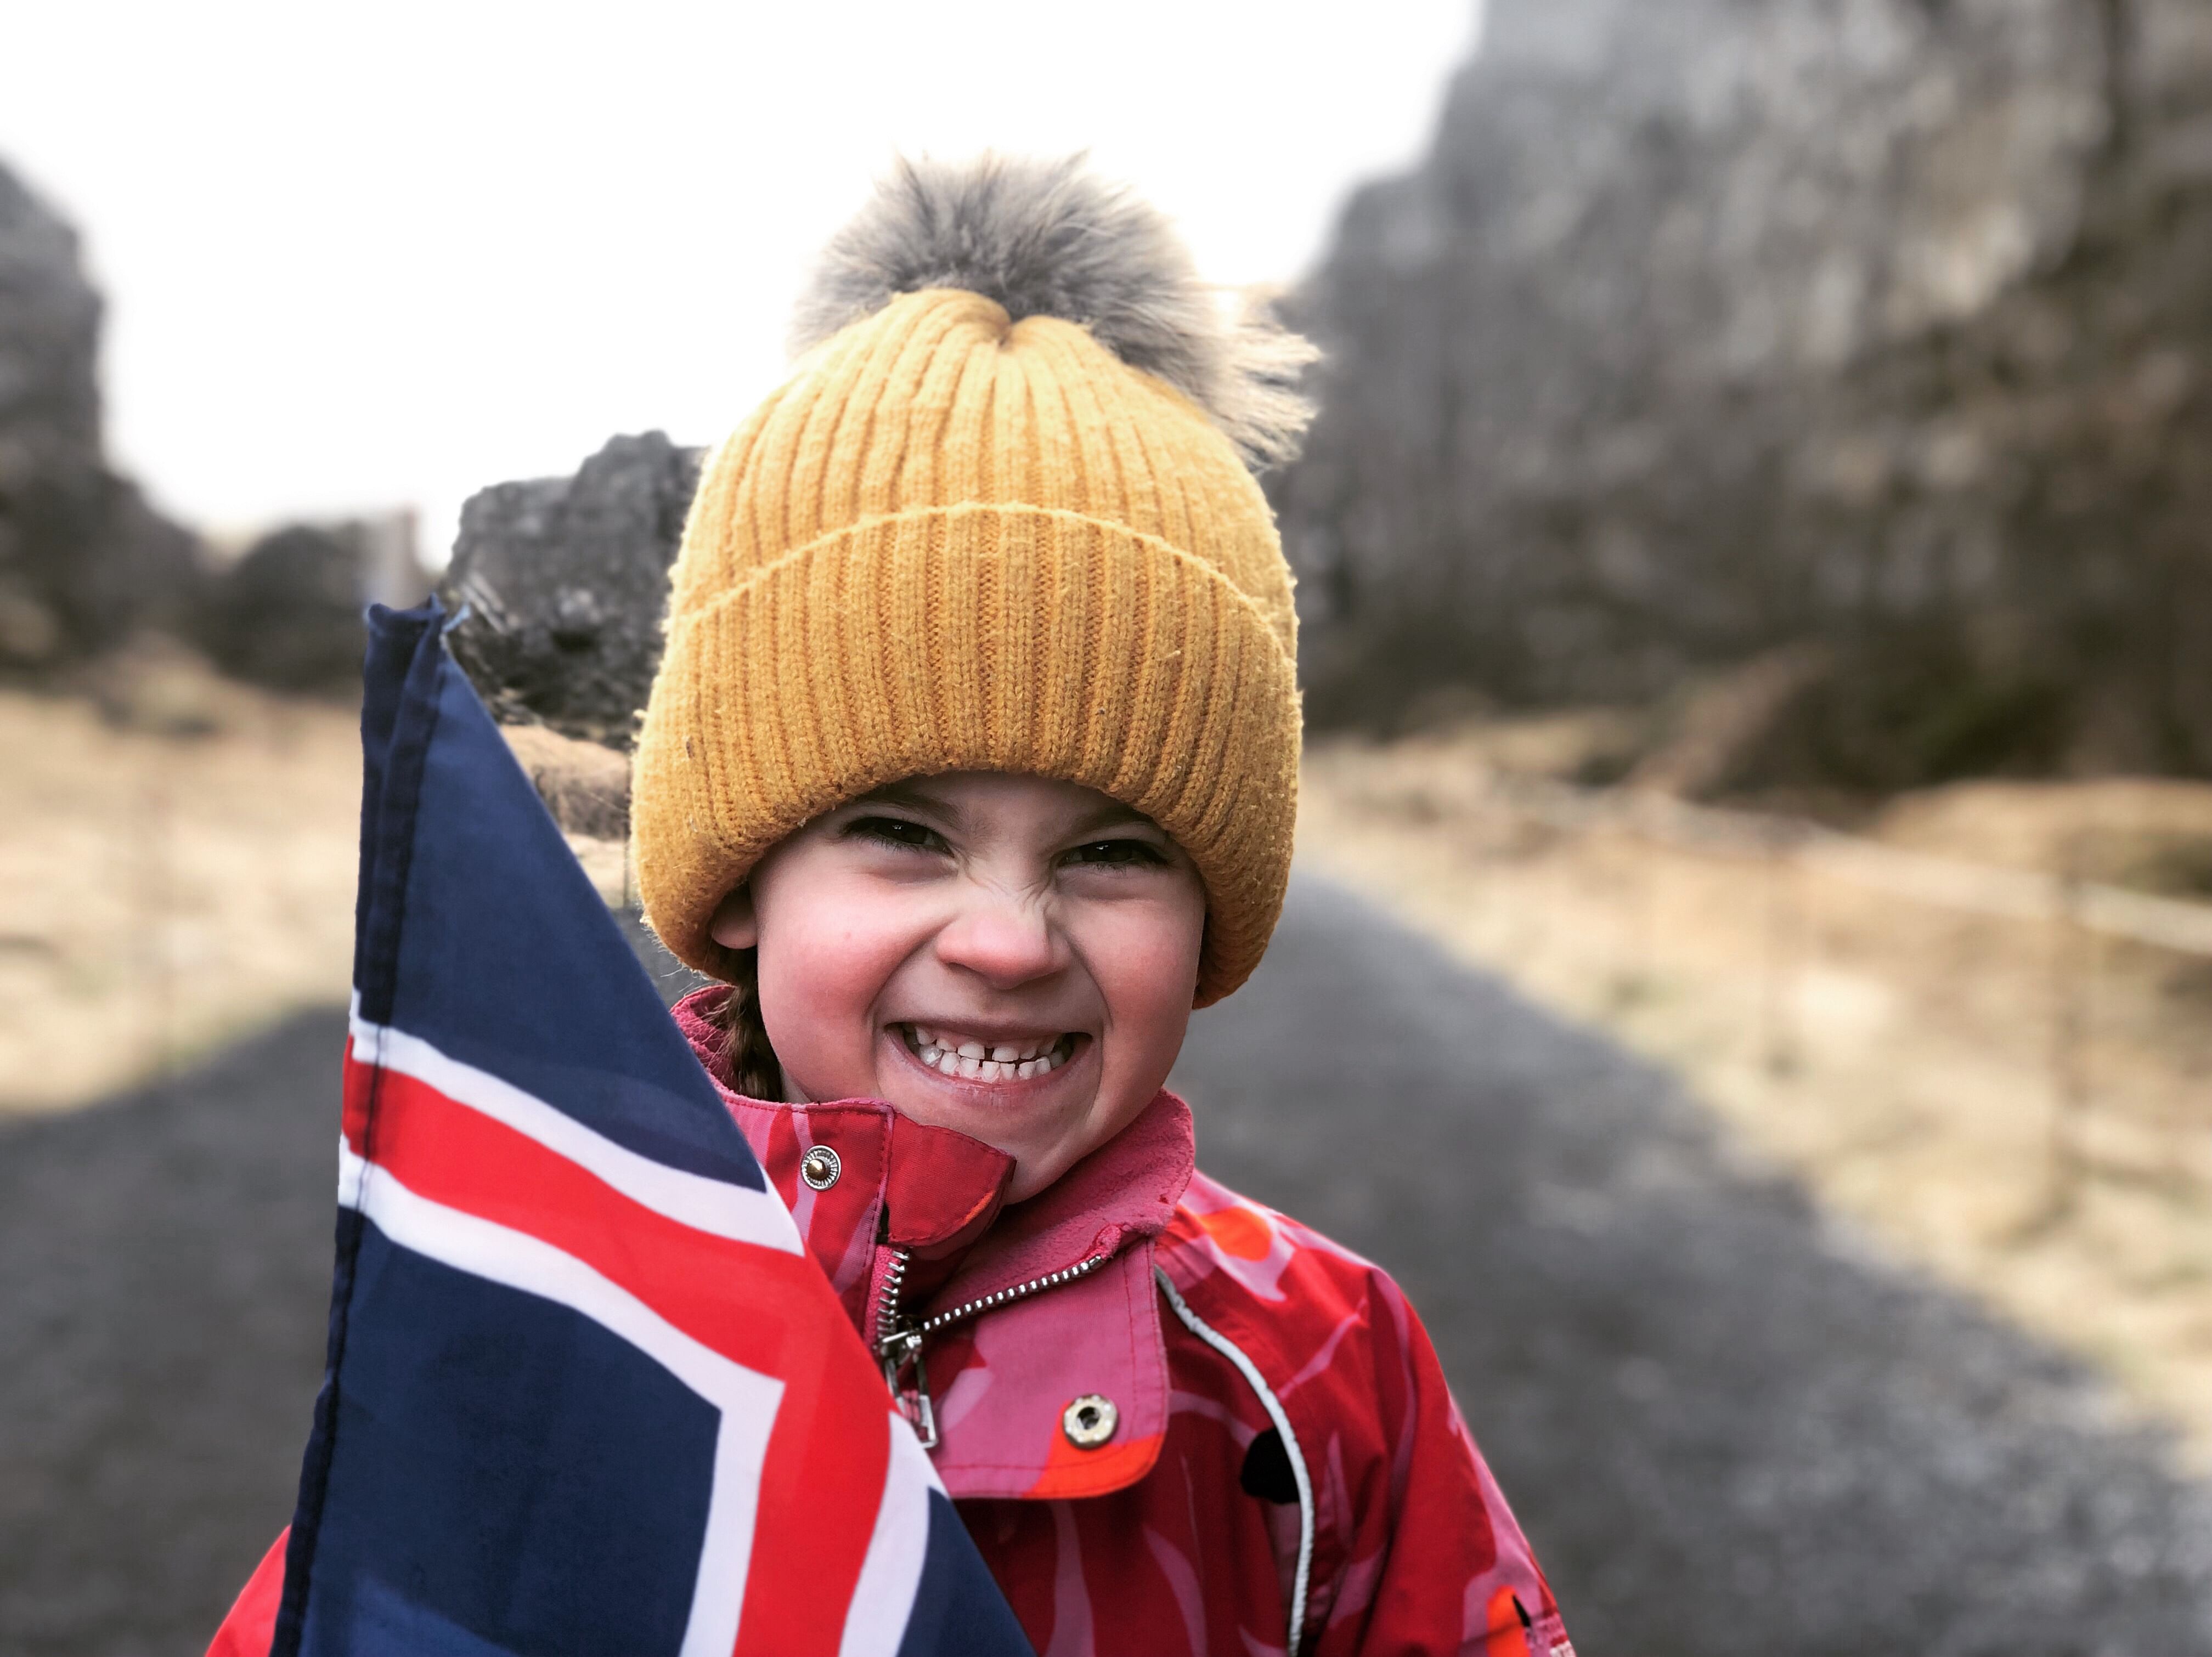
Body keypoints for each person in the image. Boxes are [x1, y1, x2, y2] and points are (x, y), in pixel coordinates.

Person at [214, 154, 1573, 1657]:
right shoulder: (541, 1304)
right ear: (740, 880)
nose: (1006, 942)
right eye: (903, 833)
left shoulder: (1312, 1367)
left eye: (1114, 851)